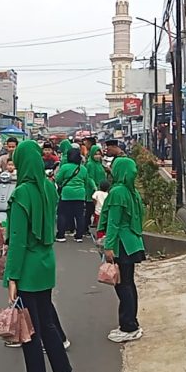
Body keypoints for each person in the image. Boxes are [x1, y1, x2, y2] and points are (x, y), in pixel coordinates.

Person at [4, 140, 83, 372]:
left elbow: (17, 241)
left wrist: (11, 277)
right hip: (47, 265)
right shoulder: (49, 187)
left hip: (26, 269)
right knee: (48, 325)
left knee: (29, 332)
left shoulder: (21, 194)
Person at [100, 158, 146, 343]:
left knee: (123, 286)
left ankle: (128, 326)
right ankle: (131, 323)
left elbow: (113, 221)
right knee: (128, 284)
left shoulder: (118, 192)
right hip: (133, 242)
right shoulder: (131, 191)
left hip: (122, 244)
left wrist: (108, 246)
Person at [55, 147, 93, 243]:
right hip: (80, 194)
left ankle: (61, 235)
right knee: (79, 215)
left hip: (66, 194)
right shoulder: (83, 169)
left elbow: (58, 179)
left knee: (62, 214)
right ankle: (79, 236)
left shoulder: (65, 167)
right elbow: (86, 181)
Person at [85, 145, 107, 224]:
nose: (97, 156)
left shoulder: (99, 164)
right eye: (95, 154)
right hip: (92, 191)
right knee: (89, 210)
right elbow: (89, 178)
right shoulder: (90, 164)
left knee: (98, 210)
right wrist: (94, 187)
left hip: (101, 190)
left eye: (99, 154)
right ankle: (85, 228)